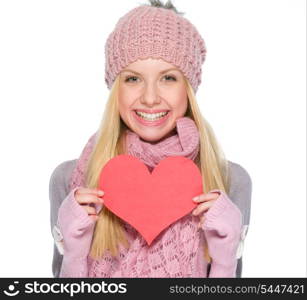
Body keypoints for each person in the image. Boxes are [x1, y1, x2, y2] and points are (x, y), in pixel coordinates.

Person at [49, 0, 252, 278]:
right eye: (133, 79)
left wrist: (225, 259)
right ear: (115, 89)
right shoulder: (70, 179)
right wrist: (74, 255)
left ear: (188, 88)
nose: (150, 97)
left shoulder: (229, 181)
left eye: (168, 78)